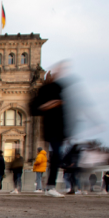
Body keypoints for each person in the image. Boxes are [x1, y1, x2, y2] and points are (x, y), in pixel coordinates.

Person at [29, 64, 72, 198]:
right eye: (57, 71)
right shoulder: (45, 90)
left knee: (57, 156)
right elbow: (34, 108)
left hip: (59, 130)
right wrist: (48, 105)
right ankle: (50, 186)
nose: (60, 73)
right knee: (57, 156)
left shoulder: (60, 90)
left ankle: (49, 186)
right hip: (52, 129)